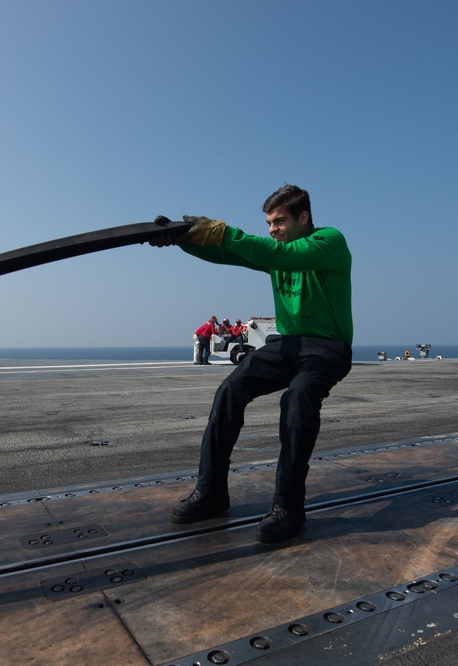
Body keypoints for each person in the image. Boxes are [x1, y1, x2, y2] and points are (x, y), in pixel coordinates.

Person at [151, 184, 353, 544]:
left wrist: (225, 231)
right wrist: (182, 241)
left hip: (326, 348)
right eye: (269, 223)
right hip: (287, 343)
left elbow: (266, 253)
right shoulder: (277, 250)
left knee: (297, 400)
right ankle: (212, 492)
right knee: (230, 390)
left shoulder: (329, 242)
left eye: (279, 221)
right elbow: (230, 254)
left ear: (303, 218)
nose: (272, 229)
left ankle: (288, 507)